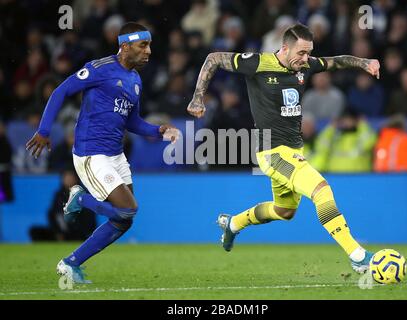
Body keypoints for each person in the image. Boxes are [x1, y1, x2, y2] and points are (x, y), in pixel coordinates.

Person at [187, 23, 381, 273]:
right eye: (300, 53)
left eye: (308, 52)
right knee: (321, 190)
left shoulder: (306, 65)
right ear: (285, 48)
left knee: (285, 210)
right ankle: (357, 254)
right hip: (272, 152)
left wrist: (364, 62)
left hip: (293, 151)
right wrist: (197, 97)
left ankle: (233, 224)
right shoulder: (258, 63)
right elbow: (214, 58)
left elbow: (336, 61)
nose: (305, 58)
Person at [26, 22, 179, 284]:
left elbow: (132, 122)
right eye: (143, 45)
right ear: (125, 46)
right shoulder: (100, 69)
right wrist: (44, 130)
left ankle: (70, 263)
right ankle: (80, 199)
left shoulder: (135, 80)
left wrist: (158, 130)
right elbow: (61, 90)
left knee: (123, 221)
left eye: (150, 45)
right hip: (91, 154)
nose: (149, 51)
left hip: (116, 156)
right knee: (128, 209)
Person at [29, 169, 96, 241]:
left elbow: (89, 218)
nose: (68, 179)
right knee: (35, 231)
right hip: (62, 231)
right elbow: (52, 214)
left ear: (76, 179)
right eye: (66, 177)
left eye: (70, 177)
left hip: (78, 231)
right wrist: (58, 231)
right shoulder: (59, 195)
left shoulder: (84, 194)